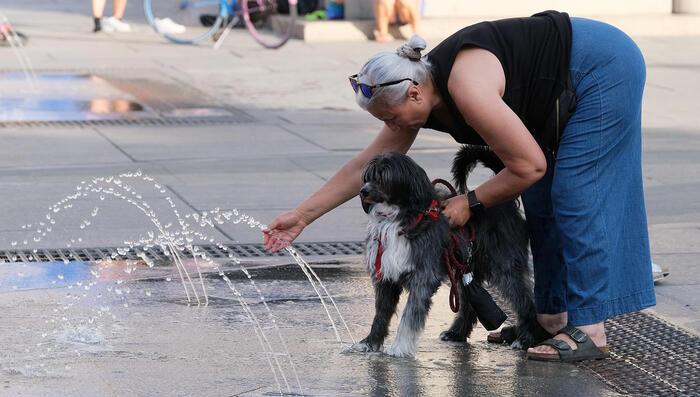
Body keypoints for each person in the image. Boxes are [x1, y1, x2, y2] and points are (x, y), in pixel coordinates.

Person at [263, 11, 656, 362]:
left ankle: (590, 331)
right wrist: (301, 217)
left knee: (574, 196)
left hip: (601, 66)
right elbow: (361, 168)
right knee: (542, 205)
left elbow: (529, 166)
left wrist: (471, 201)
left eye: (393, 117)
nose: (394, 127)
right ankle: (550, 320)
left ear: (414, 92)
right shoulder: (414, 98)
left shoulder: (466, 88)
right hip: (556, 87)